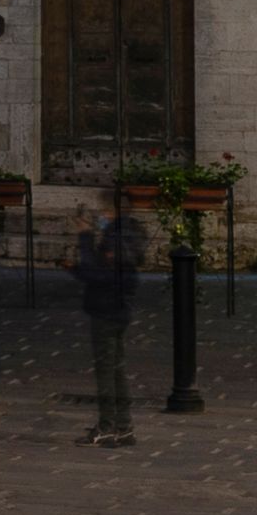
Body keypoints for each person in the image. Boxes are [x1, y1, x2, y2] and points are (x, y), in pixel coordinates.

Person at [73, 183, 150, 443]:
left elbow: (96, 273)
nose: (101, 215)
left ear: (112, 209)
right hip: (122, 307)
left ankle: (107, 427)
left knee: (106, 370)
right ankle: (124, 425)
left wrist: (84, 238)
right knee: (117, 368)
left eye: (104, 210)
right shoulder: (131, 234)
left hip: (105, 307)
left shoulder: (114, 237)